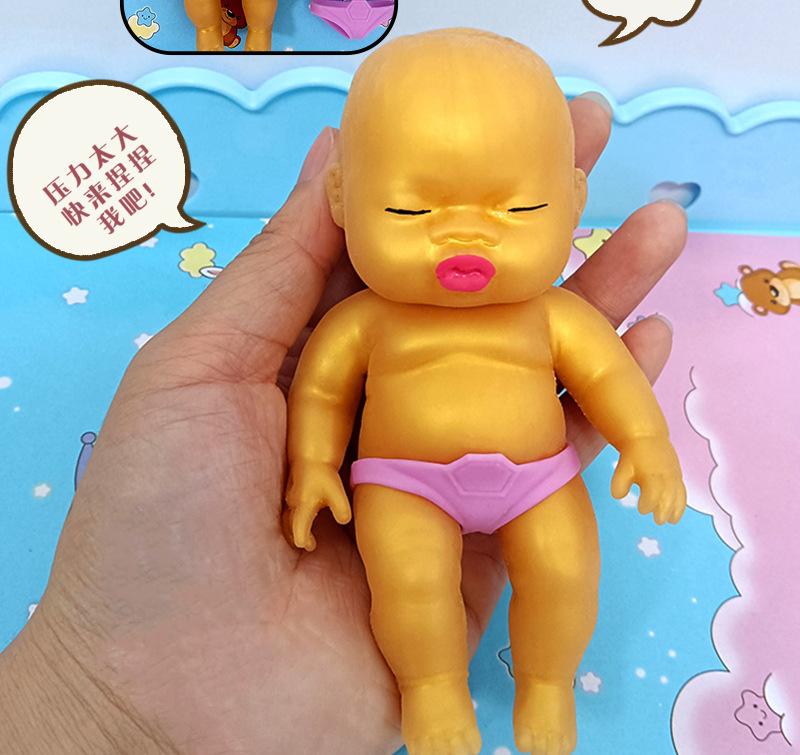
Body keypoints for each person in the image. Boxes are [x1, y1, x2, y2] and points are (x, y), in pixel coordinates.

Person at [0, 85, 686, 754]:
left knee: (565, 572)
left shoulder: (555, 315)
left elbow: (608, 376)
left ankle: (547, 682)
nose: (463, 236)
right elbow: (322, 393)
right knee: (411, 587)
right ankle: (432, 689)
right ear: (340, 198)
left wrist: (646, 441)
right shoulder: (365, 319)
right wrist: (314, 465)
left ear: (572, 201)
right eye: (410, 208)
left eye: (517, 208)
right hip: (404, 485)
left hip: (540, 478)